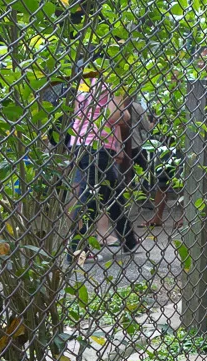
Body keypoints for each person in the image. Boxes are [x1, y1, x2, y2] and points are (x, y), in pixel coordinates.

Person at [67, 70, 136, 260]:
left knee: (112, 193)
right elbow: (115, 115)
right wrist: (127, 114)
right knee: (92, 197)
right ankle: (77, 248)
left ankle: (129, 240)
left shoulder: (85, 82)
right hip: (99, 146)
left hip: (80, 142)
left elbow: (78, 114)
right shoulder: (114, 80)